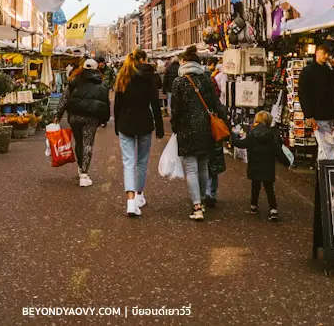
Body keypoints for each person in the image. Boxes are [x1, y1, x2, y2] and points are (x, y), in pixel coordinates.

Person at [170, 45, 228, 221]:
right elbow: (215, 104)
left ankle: (197, 205)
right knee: (203, 167)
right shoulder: (206, 80)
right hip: (205, 129)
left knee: (191, 169)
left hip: (186, 130)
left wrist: (175, 127)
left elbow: (176, 110)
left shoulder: (179, 82)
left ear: (184, 62)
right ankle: (202, 199)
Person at [113, 49, 165, 217]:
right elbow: (155, 104)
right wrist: (160, 127)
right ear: (143, 60)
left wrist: (116, 124)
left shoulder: (123, 75)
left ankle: (130, 201)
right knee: (141, 162)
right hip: (144, 122)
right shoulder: (149, 77)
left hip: (125, 122)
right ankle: (139, 196)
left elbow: (117, 104)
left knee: (128, 163)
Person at [55, 58, 110, 187]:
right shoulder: (102, 84)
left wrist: (58, 115)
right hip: (91, 118)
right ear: (97, 69)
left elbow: (64, 99)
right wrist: (103, 120)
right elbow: (105, 104)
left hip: (75, 116)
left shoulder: (74, 81)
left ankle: (80, 166)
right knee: (88, 143)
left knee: (79, 142)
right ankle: (84, 174)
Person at [297, 43, 334, 161]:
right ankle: (332, 171)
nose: (326, 56)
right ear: (316, 53)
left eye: (327, 54)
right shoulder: (307, 71)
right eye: (324, 53)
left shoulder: (328, 70)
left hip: (330, 113)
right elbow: (303, 94)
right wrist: (308, 115)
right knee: (328, 145)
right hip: (319, 115)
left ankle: (322, 174)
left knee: (324, 146)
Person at [230, 111, 280, 221]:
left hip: (255, 165)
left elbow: (241, 144)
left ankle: (254, 205)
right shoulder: (272, 134)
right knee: (269, 188)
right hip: (268, 166)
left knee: (255, 186)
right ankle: (273, 209)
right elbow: (278, 151)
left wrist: (233, 135)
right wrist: (287, 161)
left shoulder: (252, 134)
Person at [202, 57, 228, 208]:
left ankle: (205, 193)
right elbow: (220, 109)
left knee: (203, 163)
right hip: (215, 130)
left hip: (201, 130)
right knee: (214, 163)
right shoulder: (214, 92)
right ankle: (212, 193)